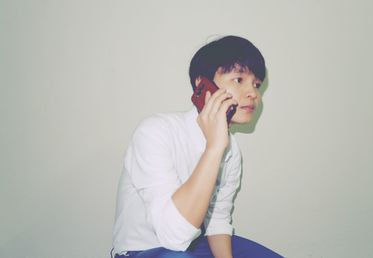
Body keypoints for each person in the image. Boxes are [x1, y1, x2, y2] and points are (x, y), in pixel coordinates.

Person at [111, 35, 283, 258]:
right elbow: (173, 237)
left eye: (257, 84)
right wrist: (214, 148)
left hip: (195, 246)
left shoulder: (232, 151)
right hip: (141, 251)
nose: (253, 93)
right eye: (239, 80)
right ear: (202, 86)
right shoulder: (156, 131)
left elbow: (217, 218)